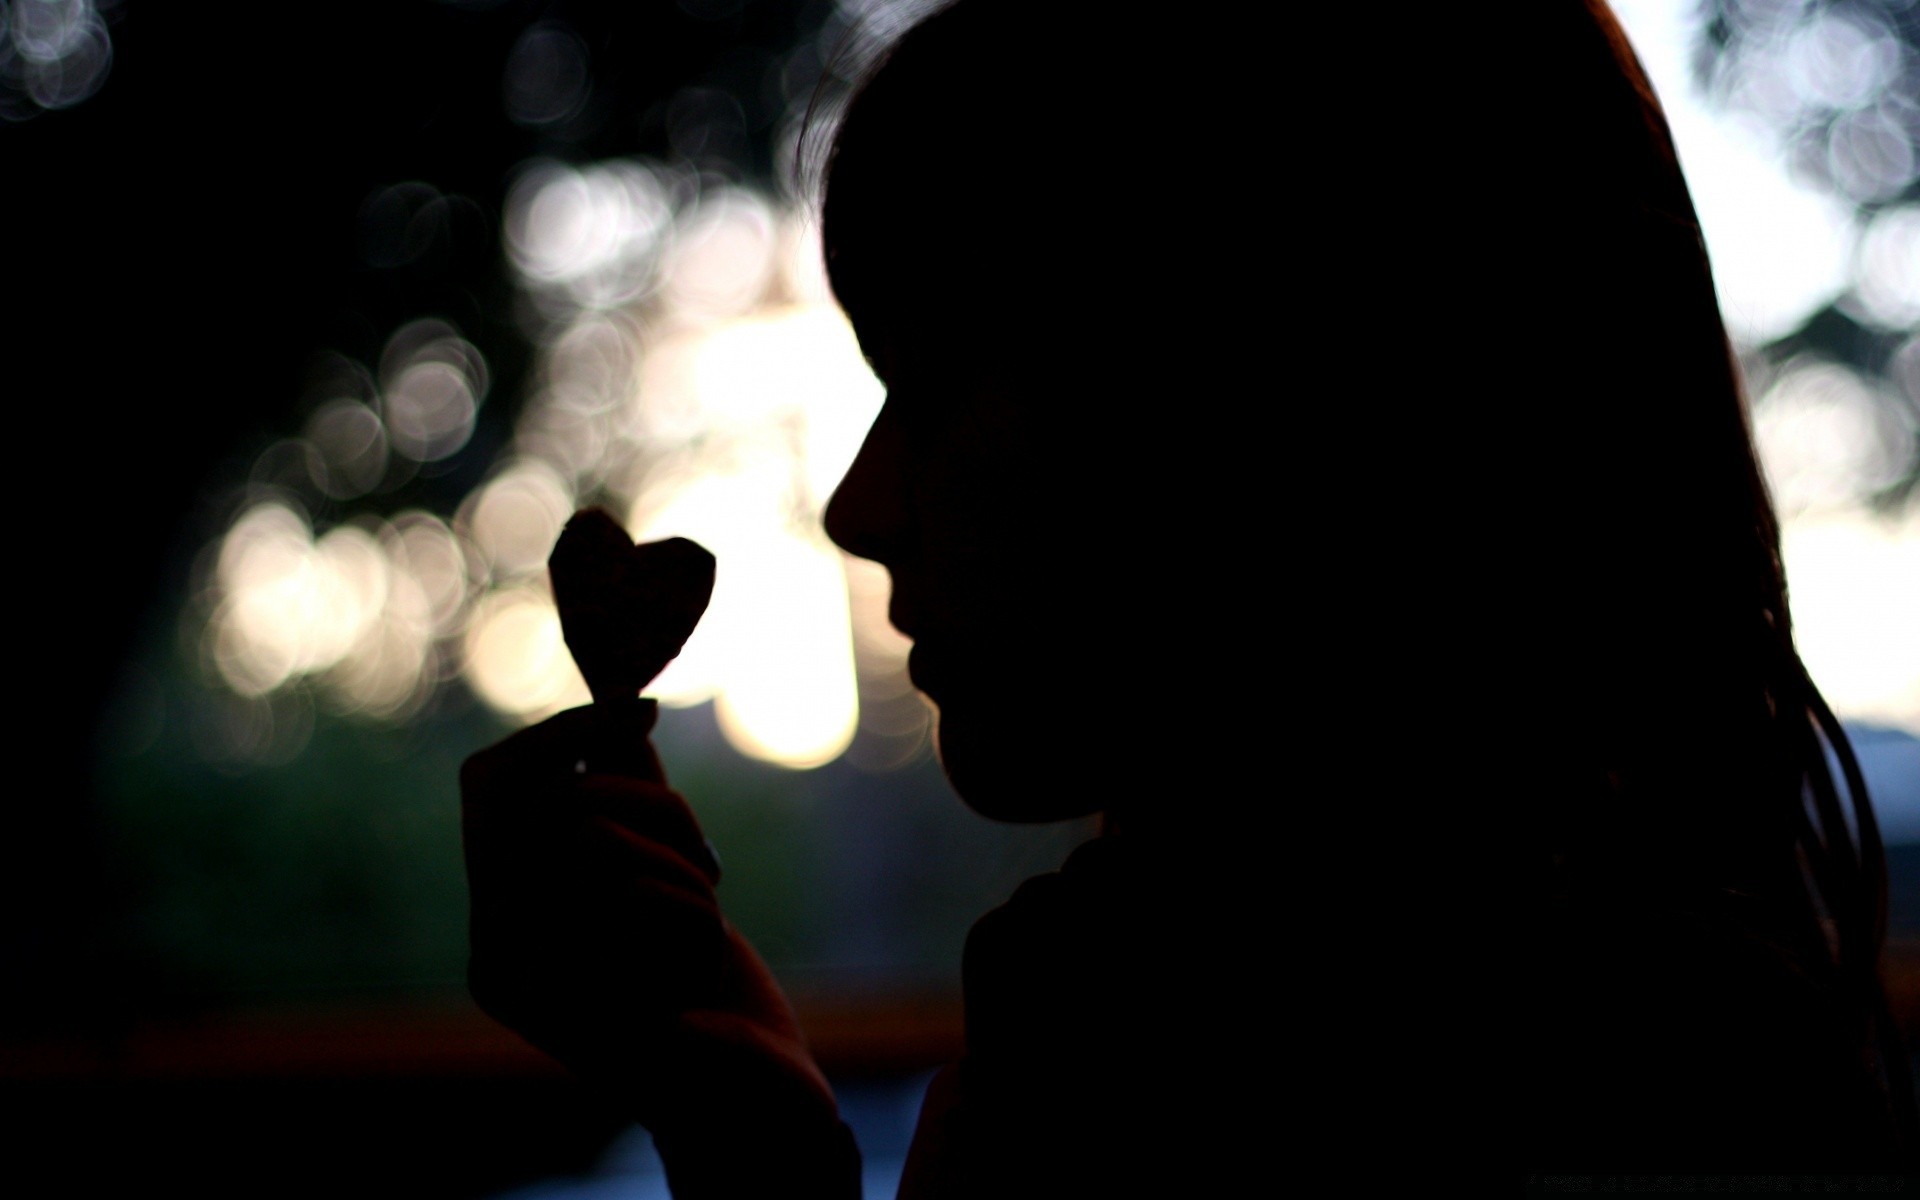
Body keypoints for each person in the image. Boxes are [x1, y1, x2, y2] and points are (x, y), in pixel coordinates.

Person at [459, 1, 1917, 1191]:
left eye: (940, 379)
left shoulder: (1157, 1076)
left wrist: (750, 1136)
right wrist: (746, 1102)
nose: (861, 508)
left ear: (1255, 399)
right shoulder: (1705, 1016)